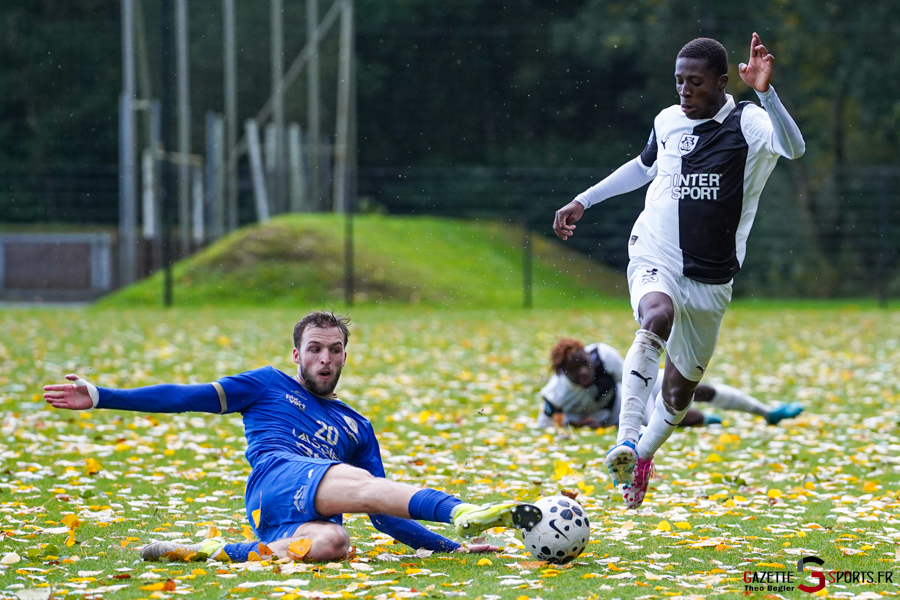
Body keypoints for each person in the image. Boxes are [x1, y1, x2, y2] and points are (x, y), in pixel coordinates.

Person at [43, 311, 541, 563]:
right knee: (357, 484)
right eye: (315, 349)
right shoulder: (264, 384)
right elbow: (183, 396)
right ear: (296, 354)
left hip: (289, 515)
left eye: (335, 350)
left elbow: (386, 517)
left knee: (333, 544)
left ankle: (208, 552)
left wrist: (449, 551)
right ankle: (464, 510)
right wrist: (103, 395)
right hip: (275, 477)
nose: (325, 358)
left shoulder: (357, 426)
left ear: (345, 357)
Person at [552, 33, 805, 510]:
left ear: (722, 83)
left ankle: (640, 458)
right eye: (679, 82)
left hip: (711, 280)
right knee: (656, 315)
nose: (684, 92)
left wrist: (766, 93)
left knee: (679, 390)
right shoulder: (668, 121)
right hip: (655, 252)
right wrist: (584, 199)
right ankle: (626, 440)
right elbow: (643, 167)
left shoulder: (749, 123)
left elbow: (794, 149)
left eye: (695, 83)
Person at [537, 338, 803, 430]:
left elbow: (636, 385)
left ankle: (768, 413)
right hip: (615, 414)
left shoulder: (603, 356)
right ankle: (705, 421)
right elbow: (546, 423)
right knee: (674, 420)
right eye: (575, 370)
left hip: (633, 391)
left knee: (694, 388)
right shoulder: (556, 393)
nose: (584, 371)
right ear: (563, 373)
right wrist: (573, 422)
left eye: (585, 363)